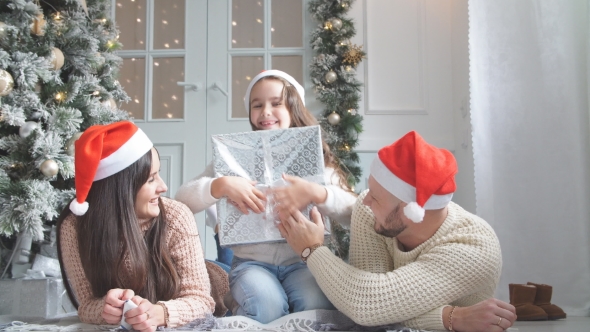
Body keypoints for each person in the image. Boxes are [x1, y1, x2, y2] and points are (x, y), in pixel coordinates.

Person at [278, 130, 517, 331]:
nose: (365, 201)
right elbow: (371, 313)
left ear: (409, 211)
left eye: (376, 197)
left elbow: (366, 304)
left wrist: (312, 250)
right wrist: (453, 317)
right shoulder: (372, 213)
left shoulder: (473, 249)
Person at [175, 69, 357, 323]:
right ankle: (239, 305)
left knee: (314, 303)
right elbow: (181, 200)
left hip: (306, 261)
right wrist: (220, 185)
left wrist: (319, 192)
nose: (266, 112)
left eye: (276, 103)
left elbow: (355, 212)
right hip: (252, 264)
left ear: (295, 107)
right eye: (257, 105)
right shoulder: (233, 159)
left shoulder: (317, 161)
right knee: (265, 304)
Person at [56, 121, 221, 332]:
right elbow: (86, 305)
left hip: (212, 282)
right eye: (151, 179)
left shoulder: (176, 216)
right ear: (120, 188)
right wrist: (107, 309)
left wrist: (160, 313)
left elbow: (201, 300)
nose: (163, 187)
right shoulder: (74, 227)